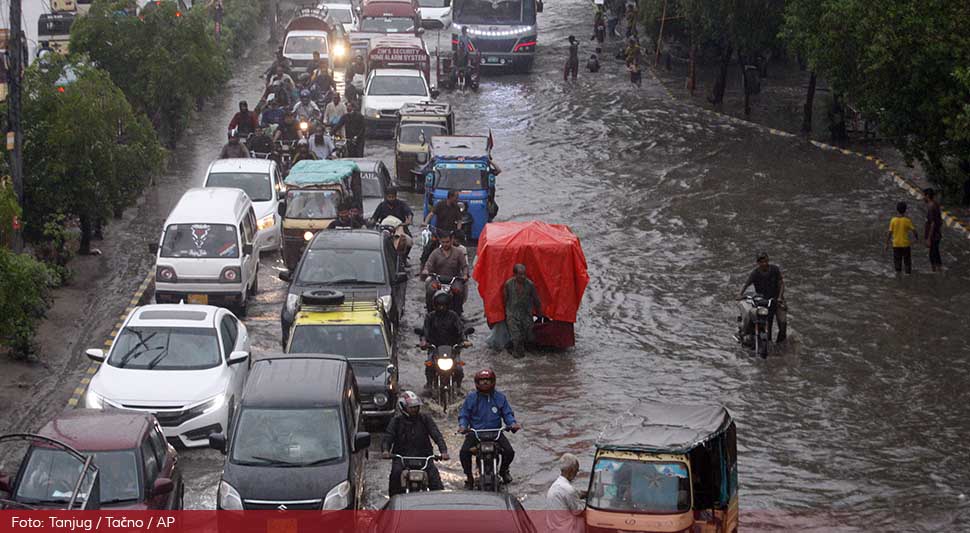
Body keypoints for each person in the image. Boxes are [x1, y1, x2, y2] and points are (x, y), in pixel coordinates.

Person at [458, 369, 520, 488]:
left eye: (487, 380)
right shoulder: (471, 398)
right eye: (482, 380)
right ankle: (469, 476)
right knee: (464, 453)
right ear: (477, 382)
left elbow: (507, 414)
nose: (485, 383)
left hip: (495, 433)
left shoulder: (500, 397)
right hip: (476, 433)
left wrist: (512, 424)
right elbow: (464, 414)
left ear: (493, 381)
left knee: (509, 452)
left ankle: (503, 470)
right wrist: (463, 426)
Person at [381, 391, 449, 496]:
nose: (414, 409)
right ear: (403, 407)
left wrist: (443, 451)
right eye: (411, 407)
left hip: (424, 458)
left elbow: (436, 435)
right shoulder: (396, 421)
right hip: (402, 459)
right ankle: (393, 506)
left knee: (436, 483)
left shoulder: (425, 419)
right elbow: (388, 437)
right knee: (395, 476)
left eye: (416, 407)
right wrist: (385, 450)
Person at [419, 290, 467, 391]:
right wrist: (424, 342)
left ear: (448, 305)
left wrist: (464, 340)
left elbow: (460, 329)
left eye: (444, 305)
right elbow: (425, 331)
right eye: (439, 305)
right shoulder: (430, 317)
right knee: (429, 365)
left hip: (452, 348)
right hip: (434, 348)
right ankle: (429, 385)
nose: (441, 308)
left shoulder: (453, 316)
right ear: (434, 305)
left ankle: (458, 387)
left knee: (458, 368)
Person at [739, 252, 787, 342]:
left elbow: (781, 284)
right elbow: (747, 284)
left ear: (768, 261)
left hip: (777, 300)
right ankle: (767, 343)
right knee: (767, 323)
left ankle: (780, 343)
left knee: (783, 322)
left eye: (766, 261)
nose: (764, 264)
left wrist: (780, 297)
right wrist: (740, 294)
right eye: (761, 262)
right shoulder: (755, 273)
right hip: (764, 301)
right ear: (758, 263)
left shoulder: (775, 269)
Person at [421, 232, 468, 314]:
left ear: (451, 241)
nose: (445, 244)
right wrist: (426, 270)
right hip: (438, 279)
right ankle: (429, 311)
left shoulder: (458, 252)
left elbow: (464, 266)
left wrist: (465, 274)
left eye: (447, 242)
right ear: (440, 242)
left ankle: (458, 312)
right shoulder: (435, 253)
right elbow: (429, 264)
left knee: (458, 291)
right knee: (430, 290)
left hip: (454, 280)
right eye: (443, 242)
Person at [503, 264, 542, 358]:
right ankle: (517, 358)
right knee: (516, 337)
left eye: (524, 274)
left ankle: (525, 356)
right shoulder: (508, 284)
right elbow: (505, 299)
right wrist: (506, 314)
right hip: (512, 314)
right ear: (515, 274)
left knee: (529, 337)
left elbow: (536, 300)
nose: (523, 276)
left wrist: (540, 314)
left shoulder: (530, 285)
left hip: (526, 314)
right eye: (520, 274)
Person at [545, 453, 586, 533]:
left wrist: (588, 493)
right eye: (577, 470)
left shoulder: (556, 485)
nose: (576, 474)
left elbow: (576, 493)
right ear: (571, 470)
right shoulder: (568, 489)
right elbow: (579, 511)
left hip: (553, 528)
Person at [885, 201, 919, 275]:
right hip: (905, 244)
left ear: (897, 210)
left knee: (897, 262)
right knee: (907, 262)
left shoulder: (893, 220)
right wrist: (916, 238)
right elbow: (914, 231)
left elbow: (889, 232)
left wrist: (886, 243)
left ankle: (898, 277)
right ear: (905, 210)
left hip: (896, 244)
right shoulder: (907, 220)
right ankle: (908, 276)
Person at [924, 188, 943, 272]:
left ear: (927, 196)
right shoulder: (936, 204)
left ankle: (934, 272)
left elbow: (932, 223)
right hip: (937, 233)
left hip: (933, 235)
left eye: (923, 195)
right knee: (936, 253)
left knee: (932, 255)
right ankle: (939, 270)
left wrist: (928, 238)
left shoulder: (930, 206)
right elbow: (939, 221)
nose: (922, 198)